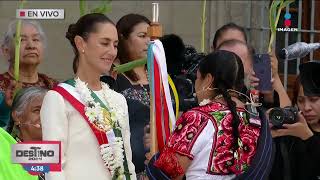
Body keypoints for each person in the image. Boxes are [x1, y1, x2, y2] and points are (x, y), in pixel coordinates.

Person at [147, 50, 273, 180]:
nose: (195, 84)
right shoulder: (256, 119)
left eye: (197, 78)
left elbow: (170, 173)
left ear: (208, 80)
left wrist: (154, 162)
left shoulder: (196, 118)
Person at [40, 13, 136, 180]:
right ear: (80, 43)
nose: (112, 52)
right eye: (104, 43)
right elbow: (53, 166)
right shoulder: (58, 98)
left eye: (115, 45)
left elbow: (127, 161)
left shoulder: (118, 100)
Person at [105, 13, 151, 176]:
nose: (149, 41)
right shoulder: (113, 77)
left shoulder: (160, 75)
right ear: (122, 38)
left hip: (159, 165)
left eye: (151, 37)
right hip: (127, 166)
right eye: (142, 36)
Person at [0, 20, 57, 128]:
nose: (31, 46)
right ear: (6, 50)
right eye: (21, 40)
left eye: (36, 39)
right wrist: (5, 108)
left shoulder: (54, 87)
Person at [269, 61, 320, 180]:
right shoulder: (294, 128)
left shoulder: (302, 132)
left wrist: (307, 137)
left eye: (314, 99)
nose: (307, 107)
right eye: (301, 100)